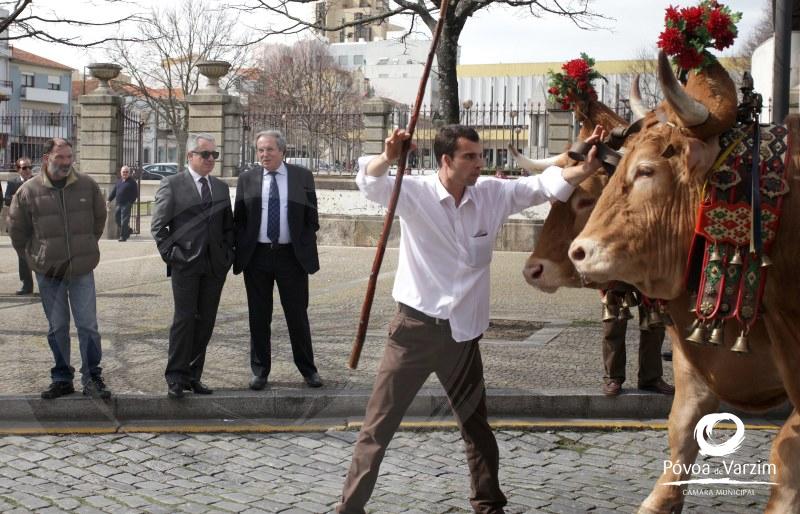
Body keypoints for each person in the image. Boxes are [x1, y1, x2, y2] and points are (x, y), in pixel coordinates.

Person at [336, 124, 605, 514]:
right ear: (446, 160)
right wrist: (386, 157)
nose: (480, 164)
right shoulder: (414, 193)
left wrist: (583, 170)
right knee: (377, 429)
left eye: (480, 156)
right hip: (411, 334)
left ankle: (488, 505)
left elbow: (540, 187)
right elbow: (371, 183)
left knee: (476, 429)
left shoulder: (491, 195)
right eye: (470, 157)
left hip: (462, 339)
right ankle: (349, 508)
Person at [8, 139, 110, 400]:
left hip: (81, 270)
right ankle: (62, 377)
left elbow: (99, 220)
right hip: (48, 272)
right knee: (57, 327)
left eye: (69, 157)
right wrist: (35, 260)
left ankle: (92, 377)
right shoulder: (28, 191)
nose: (66, 162)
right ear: (46, 158)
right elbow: (18, 233)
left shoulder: (87, 185)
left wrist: (86, 246)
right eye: (60, 157)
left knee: (88, 326)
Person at [234, 129, 322, 390]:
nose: (264, 154)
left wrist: (301, 242)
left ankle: (308, 370)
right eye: (260, 150)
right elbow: (239, 219)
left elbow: (311, 216)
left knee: (297, 315)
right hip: (257, 256)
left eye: (270, 149)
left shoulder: (301, 177)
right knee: (259, 317)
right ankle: (260, 371)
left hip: (291, 257)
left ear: (282, 151)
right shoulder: (247, 179)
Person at [151, 133, 234, 399]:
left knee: (206, 321)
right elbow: (159, 227)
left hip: (214, 266)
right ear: (190, 156)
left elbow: (228, 227)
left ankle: (193, 375)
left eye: (214, 155)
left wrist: (227, 256)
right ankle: (175, 377)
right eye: (205, 154)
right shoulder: (172, 184)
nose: (211, 160)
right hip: (184, 264)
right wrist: (173, 256)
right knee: (184, 320)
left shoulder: (220, 187)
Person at [601, 286, 674, 397]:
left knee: (654, 322)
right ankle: (613, 376)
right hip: (619, 272)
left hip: (649, 272)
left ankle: (651, 377)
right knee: (613, 323)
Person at [4, 156, 34, 295]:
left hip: (35, 226)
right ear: (18, 169)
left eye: (29, 167)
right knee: (22, 257)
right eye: (24, 168)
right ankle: (26, 285)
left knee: (41, 256)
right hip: (19, 227)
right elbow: (7, 200)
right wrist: (18, 198)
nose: (28, 170)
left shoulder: (37, 181)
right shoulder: (12, 182)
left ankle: (46, 286)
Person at [106, 165, 138, 242]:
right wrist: (109, 200)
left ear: (129, 173)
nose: (125, 173)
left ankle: (123, 237)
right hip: (118, 204)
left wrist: (130, 202)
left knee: (124, 220)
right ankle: (128, 230)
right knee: (117, 219)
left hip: (126, 204)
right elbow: (114, 191)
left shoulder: (132, 182)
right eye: (123, 172)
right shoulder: (119, 181)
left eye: (127, 172)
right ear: (121, 173)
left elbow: (135, 194)